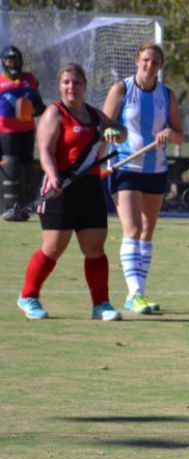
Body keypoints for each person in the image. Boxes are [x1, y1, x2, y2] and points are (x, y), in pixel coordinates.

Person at [16, 64, 126, 321]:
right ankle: (28, 296)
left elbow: (121, 131)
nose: (71, 87)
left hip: (89, 188)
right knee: (53, 247)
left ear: (85, 85)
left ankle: (101, 304)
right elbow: (45, 151)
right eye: (66, 82)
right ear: (60, 85)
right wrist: (54, 178)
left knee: (95, 247)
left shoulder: (94, 115)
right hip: (60, 188)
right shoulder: (55, 114)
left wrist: (115, 133)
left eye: (76, 82)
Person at [102, 43, 184, 315]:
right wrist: (112, 134)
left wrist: (169, 135)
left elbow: (180, 134)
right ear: (137, 61)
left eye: (156, 62)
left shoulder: (167, 95)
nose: (150, 66)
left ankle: (140, 292)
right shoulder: (122, 90)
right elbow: (103, 125)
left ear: (161, 66)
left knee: (148, 231)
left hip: (156, 169)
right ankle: (134, 293)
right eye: (146, 60)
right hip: (126, 168)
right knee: (133, 229)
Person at [0, 45, 46, 222]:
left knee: (28, 165)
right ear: (4, 62)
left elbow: (39, 105)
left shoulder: (30, 80)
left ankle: (25, 207)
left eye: (16, 60)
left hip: (27, 131)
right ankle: (9, 207)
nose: (13, 64)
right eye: (9, 61)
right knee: (11, 164)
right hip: (6, 133)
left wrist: (34, 110)